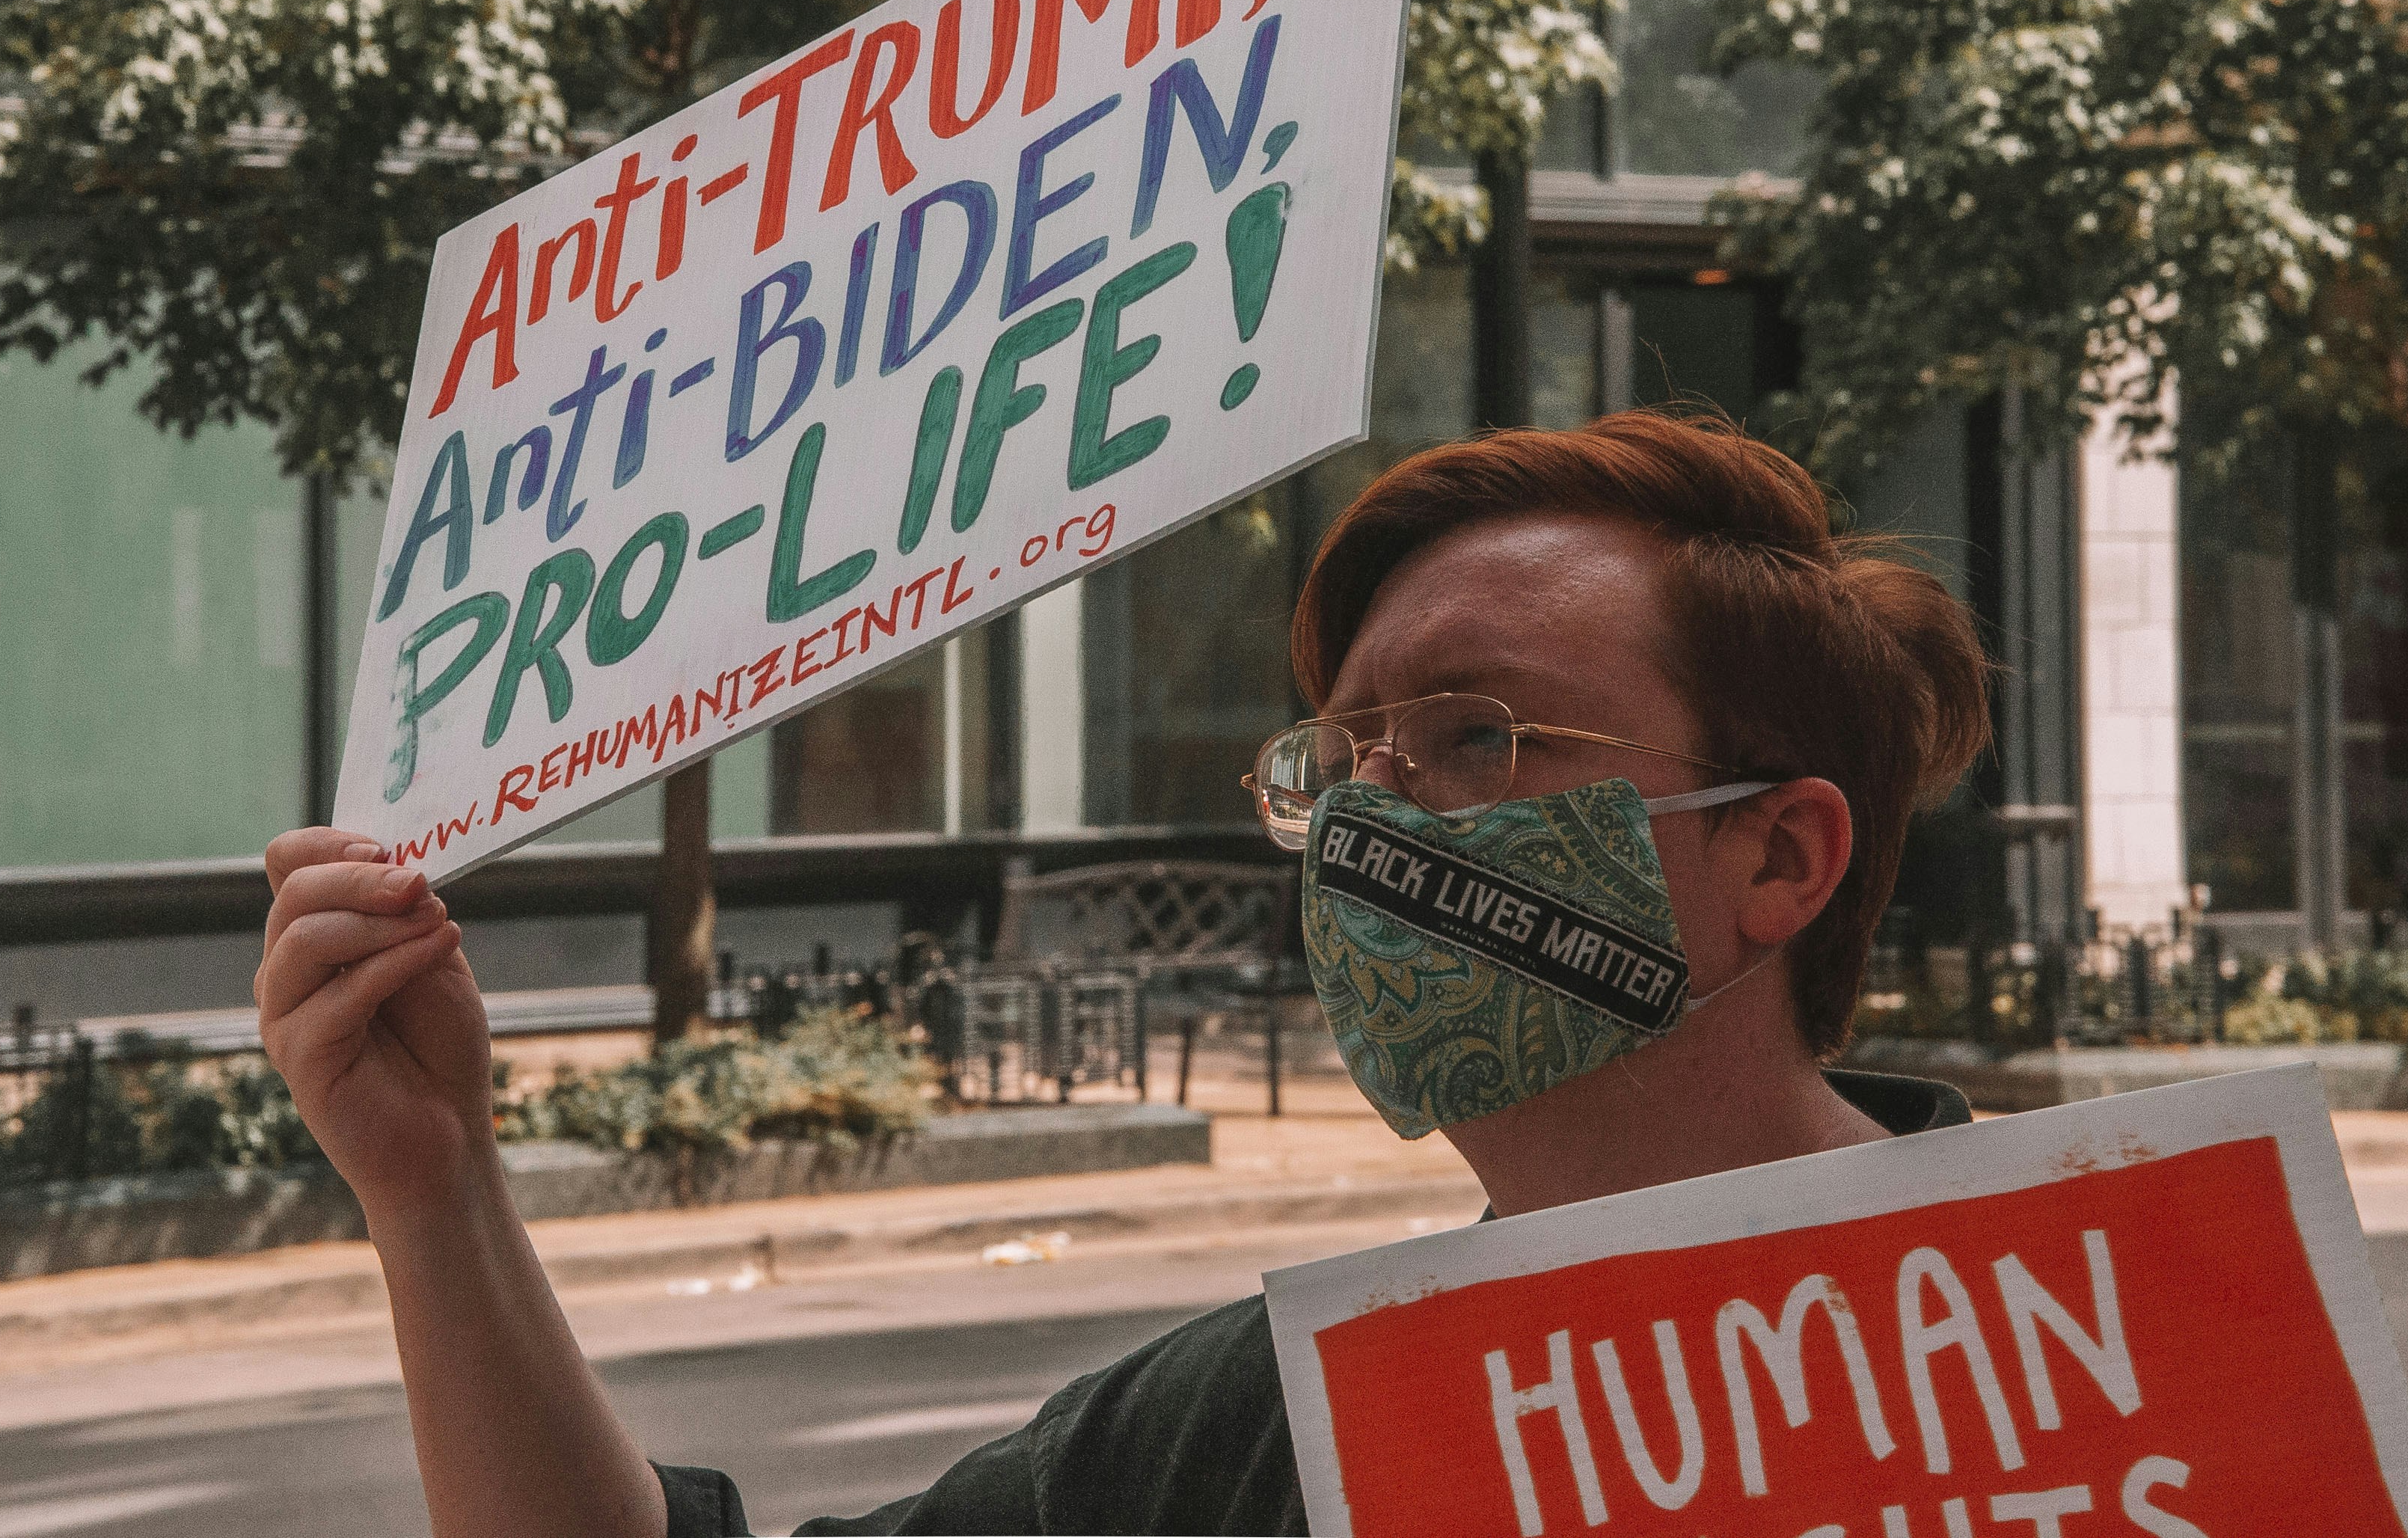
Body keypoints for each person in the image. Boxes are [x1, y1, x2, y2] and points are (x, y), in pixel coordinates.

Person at [254, 408, 1992, 1536]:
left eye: (1475, 735)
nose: (1374, 818)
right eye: (1343, 751)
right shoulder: (1249, 1429)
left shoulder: (2087, 1326)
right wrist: (437, 1188)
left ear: (1779, 856)